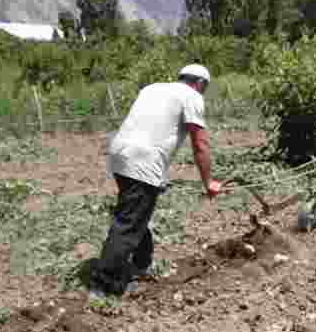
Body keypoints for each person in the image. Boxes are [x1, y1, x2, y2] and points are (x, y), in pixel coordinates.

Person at [89, 64, 221, 298]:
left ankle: (141, 264)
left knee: (138, 212)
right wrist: (208, 182)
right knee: (129, 223)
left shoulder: (152, 88)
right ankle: (104, 285)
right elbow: (199, 143)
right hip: (144, 160)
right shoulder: (192, 96)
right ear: (200, 83)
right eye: (205, 88)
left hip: (119, 154)